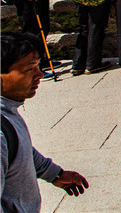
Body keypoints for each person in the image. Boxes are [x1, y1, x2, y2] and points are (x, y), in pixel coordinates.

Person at [1, 33, 90, 211]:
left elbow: (20, 148)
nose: (39, 74)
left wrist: (54, 174)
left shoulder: (8, 113)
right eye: (29, 69)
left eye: (38, 66)